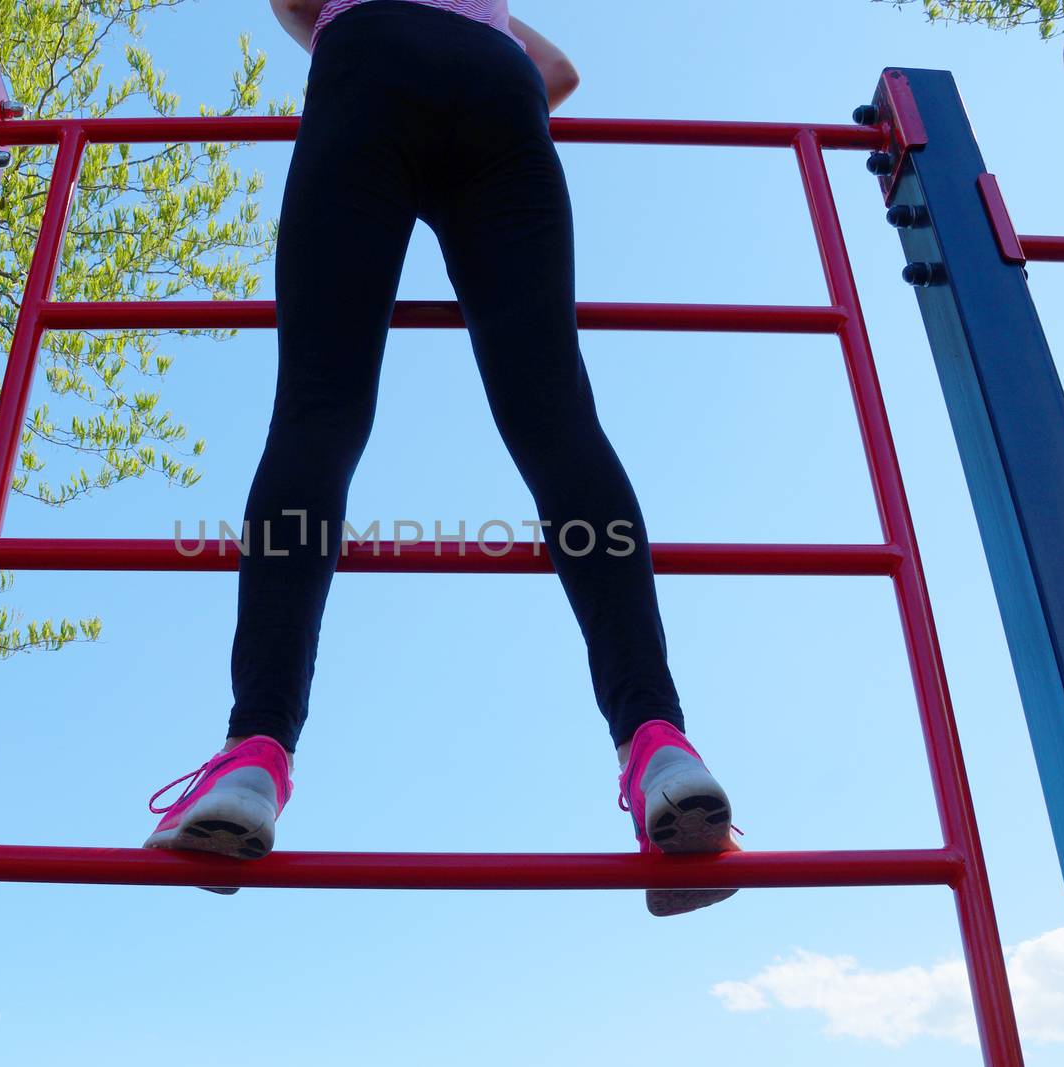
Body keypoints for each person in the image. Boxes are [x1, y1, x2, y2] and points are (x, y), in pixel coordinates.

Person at [144, 0, 740, 916]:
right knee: (558, 422)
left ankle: (256, 753)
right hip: (498, 88)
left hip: (369, 67)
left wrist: (343, 31)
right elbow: (562, 76)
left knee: (318, 413)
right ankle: (660, 741)